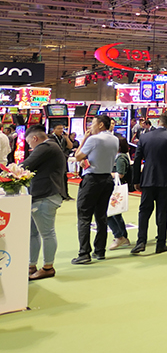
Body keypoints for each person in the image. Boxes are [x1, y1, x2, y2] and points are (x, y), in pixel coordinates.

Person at [131, 113, 167, 255]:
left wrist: (136, 180)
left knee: (144, 211)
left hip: (148, 178)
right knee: (162, 211)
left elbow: (137, 160)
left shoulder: (144, 137)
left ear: (158, 122)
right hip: (166, 180)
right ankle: (161, 243)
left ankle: (141, 242)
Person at [71, 115, 118, 264]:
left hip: (92, 180)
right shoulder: (114, 139)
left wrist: (84, 139)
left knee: (84, 217)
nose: (91, 126)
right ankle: (100, 250)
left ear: (101, 125)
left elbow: (78, 156)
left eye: (93, 123)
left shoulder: (93, 139)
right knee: (101, 216)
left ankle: (84, 253)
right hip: (107, 179)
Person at [21, 125, 66, 280]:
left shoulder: (45, 147)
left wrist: (8, 172)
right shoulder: (51, 146)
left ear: (35, 138)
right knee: (33, 233)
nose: (30, 146)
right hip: (41, 195)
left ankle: (48, 267)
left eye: (29, 143)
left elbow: (25, 165)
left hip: (46, 195)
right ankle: (31, 265)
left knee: (46, 233)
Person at [107, 137, 131, 251]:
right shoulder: (116, 156)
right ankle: (122, 236)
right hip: (113, 187)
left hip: (116, 189)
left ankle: (119, 236)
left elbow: (120, 174)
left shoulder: (121, 158)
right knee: (115, 213)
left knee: (110, 213)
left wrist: (106, 173)